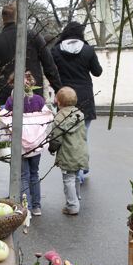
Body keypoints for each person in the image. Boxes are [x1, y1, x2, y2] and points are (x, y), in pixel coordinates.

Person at [0, 3, 62, 105]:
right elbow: (49, 66)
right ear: (18, 17)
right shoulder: (33, 36)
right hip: (33, 96)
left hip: (7, 98)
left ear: (2, 19)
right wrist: (60, 91)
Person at [50, 21, 102, 181]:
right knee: (83, 135)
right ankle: (82, 168)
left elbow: (51, 72)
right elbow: (97, 72)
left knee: (67, 135)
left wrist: (58, 90)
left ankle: (74, 171)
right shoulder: (88, 50)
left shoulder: (55, 51)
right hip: (85, 97)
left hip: (64, 96)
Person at [3, 72, 52, 217]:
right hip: (36, 144)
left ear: (13, 84)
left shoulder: (12, 101)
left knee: (23, 176)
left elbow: (3, 116)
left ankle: (27, 207)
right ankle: (37, 206)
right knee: (34, 174)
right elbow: (47, 116)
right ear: (32, 84)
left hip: (21, 144)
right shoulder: (38, 100)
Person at [47, 87, 87, 216]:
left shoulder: (59, 118)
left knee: (68, 179)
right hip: (80, 152)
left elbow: (56, 138)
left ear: (58, 102)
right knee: (75, 176)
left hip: (67, 153)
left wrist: (51, 148)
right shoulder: (79, 114)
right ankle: (76, 198)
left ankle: (72, 205)